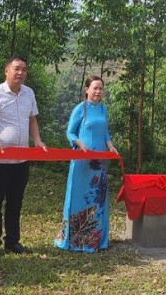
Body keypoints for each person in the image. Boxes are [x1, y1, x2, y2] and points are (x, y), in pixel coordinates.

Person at [0, 56, 47, 260]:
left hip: (21, 160)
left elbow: (32, 119)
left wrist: (37, 140)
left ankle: (12, 241)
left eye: (24, 70)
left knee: (15, 202)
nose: (20, 73)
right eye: (16, 69)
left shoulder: (29, 94)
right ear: (6, 70)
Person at [54, 76, 120, 252]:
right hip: (82, 160)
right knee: (79, 195)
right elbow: (70, 132)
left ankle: (95, 240)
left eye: (100, 89)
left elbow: (105, 133)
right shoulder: (80, 109)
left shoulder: (104, 110)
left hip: (100, 161)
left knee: (97, 196)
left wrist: (111, 146)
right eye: (95, 88)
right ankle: (75, 239)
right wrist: (79, 143)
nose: (98, 92)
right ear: (87, 90)